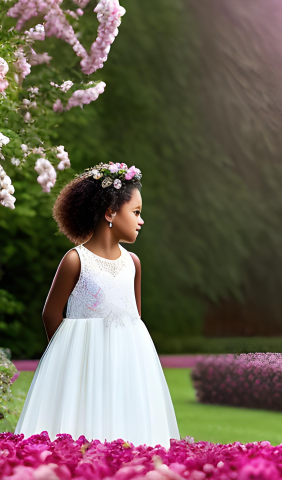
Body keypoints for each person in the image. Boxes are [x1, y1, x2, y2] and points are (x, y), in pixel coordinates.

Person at [14, 162, 180, 449]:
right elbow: (51, 313)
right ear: (110, 213)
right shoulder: (76, 260)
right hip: (83, 364)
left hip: (130, 364)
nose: (141, 221)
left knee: (129, 431)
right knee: (82, 433)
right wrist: (69, 358)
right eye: (136, 213)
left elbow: (134, 318)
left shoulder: (133, 264)